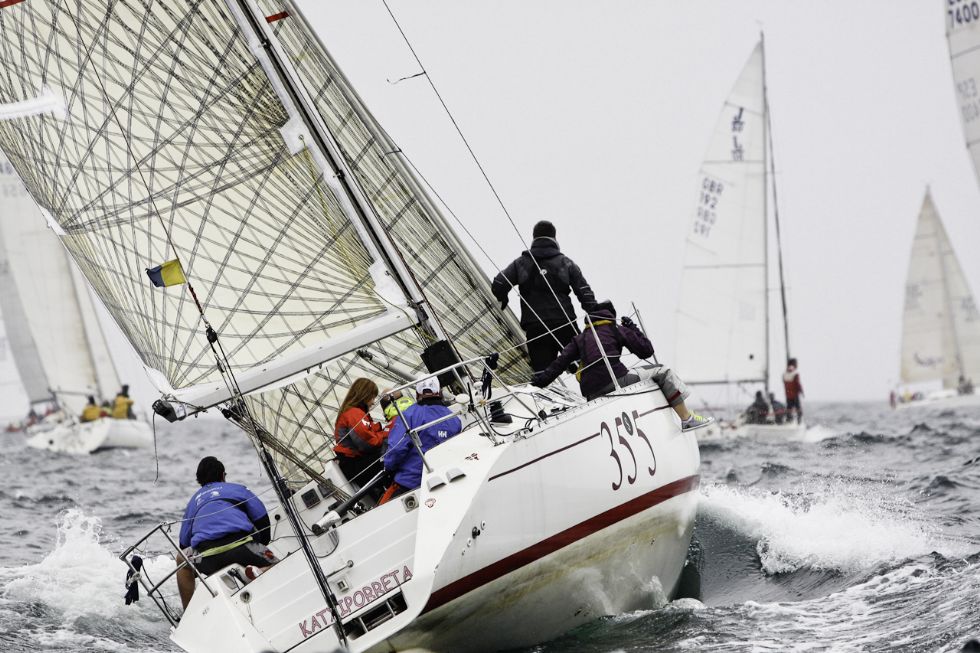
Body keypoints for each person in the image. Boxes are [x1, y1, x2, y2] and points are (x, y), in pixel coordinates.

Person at [530, 302, 712, 431]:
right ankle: (686, 418)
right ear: (610, 316)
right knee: (663, 372)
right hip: (615, 380)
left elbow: (559, 364)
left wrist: (539, 382)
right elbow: (646, 351)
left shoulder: (581, 337)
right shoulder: (614, 328)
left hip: (590, 392)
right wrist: (633, 328)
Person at [491, 220, 599, 372]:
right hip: (564, 324)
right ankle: (598, 391)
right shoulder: (565, 263)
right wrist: (597, 316)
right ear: (554, 239)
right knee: (585, 368)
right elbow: (584, 293)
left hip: (536, 328)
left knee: (543, 377)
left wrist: (503, 297)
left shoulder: (521, 263)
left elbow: (499, 284)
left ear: (534, 238)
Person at [176, 457, 274, 609]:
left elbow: (183, 543)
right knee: (276, 563)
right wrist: (262, 545)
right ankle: (258, 570)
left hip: (207, 558)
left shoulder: (193, 502)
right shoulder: (239, 489)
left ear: (199, 481)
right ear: (223, 476)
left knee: (182, 560)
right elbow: (262, 519)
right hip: (243, 550)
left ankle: (188, 611)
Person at [382, 378, 462, 501]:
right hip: (445, 479)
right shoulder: (455, 419)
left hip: (410, 483)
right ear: (439, 391)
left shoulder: (409, 415)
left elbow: (396, 450)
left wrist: (388, 467)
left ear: (418, 393)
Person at [333, 378, 389, 499]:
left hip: (353, 464)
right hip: (355, 465)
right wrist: (386, 433)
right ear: (365, 395)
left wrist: (382, 428)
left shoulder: (352, 413)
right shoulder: (354, 414)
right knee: (393, 455)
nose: (373, 402)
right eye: (373, 397)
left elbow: (368, 432)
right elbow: (368, 443)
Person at [782, 358, 803, 423]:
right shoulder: (795, 373)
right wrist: (801, 391)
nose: (797, 365)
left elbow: (784, 383)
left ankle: (789, 420)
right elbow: (797, 383)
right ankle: (799, 422)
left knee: (789, 409)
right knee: (798, 409)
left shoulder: (784, 374)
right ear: (794, 364)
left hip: (788, 395)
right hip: (795, 395)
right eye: (796, 363)